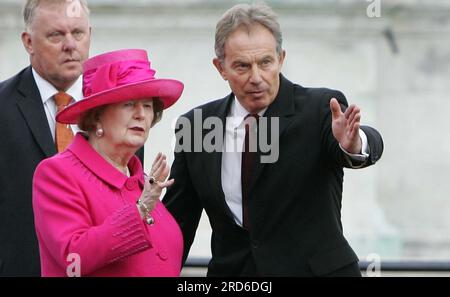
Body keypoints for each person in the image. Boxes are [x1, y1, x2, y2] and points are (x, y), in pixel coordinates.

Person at [163, 3, 384, 276]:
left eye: (265, 62)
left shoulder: (320, 109)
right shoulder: (196, 126)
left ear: (281, 58)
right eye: (242, 66)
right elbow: (176, 225)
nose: (256, 78)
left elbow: (365, 141)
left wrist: (353, 145)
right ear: (220, 68)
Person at [32, 49, 184, 276]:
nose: (141, 114)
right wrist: (140, 210)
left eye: (148, 105)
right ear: (97, 115)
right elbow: (74, 259)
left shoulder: (143, 183)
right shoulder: (57, 173)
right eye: (129, 104)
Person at [0, 0, 95, 276]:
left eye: (78, 33)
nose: (70, 45)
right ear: (29, 42)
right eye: (55, 35)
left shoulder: (118, 109)